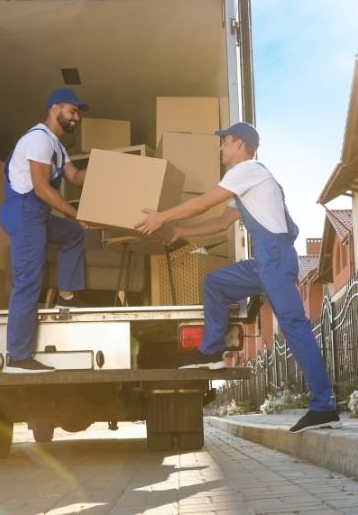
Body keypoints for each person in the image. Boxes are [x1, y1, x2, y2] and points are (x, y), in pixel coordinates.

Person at [135, 122, 342, 433]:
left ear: (241, 145)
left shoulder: (249, 170)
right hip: (264, 262)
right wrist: (179, 232)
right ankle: (211, 352)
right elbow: (221, 222)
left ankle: (323, 406)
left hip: (274, 259)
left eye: (225, 142)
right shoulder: (246, 182)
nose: (221, 148)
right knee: (216, 283)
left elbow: (205, 203)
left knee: (295, 327)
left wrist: (162, 216)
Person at [0, 88, 90, 373]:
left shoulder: (57, 146)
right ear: (54, 108)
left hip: (36, 215)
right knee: (27, 282)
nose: (76, 117)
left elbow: (75, 177)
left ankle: (67, 297)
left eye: (77, 113)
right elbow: (41, 188)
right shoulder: (38, 139)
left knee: (73, 235)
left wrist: (111, 171)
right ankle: (18, 356)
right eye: (72, 111)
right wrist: (76, 214)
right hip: (24, 212)